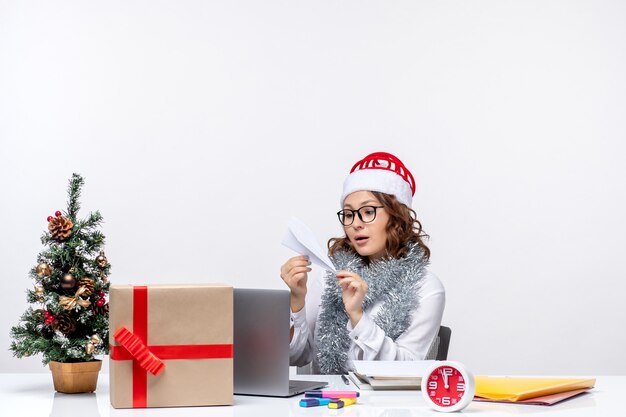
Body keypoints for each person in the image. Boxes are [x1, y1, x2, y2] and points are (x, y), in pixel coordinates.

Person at [280, 152, 445, 375]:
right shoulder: (330, 277)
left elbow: (408, 370)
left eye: (368, 212)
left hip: (384, 409)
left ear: (397, 217)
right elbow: (297, 357)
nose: (356, 223)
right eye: (348, 214)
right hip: (324, 406)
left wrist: (357, 315)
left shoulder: (426, 287)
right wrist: (296, 301)